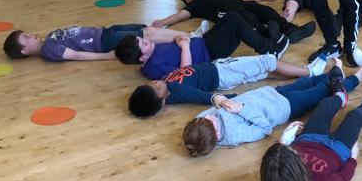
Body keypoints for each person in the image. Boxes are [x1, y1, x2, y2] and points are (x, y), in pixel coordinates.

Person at [180, 64, 362, 156]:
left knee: (306, 82)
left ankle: (333, 74)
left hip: (270, 93)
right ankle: (354, 79)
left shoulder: (204, 122)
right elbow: (265, 128)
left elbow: (205, 113)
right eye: (211, 120)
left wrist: (216, 98)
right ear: (218, 134)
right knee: (322, 91)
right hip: (284, 107)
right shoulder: (235, 134)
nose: (210, 115)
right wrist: (241, 109)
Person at [127, 53, 324, 118]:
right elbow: (202, 97)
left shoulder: (167, 87)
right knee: (267, 61)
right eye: (157, 88)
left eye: (151, 83)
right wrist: (230, 99)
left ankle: (301, 75)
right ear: (162, 101)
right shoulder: (176, 91)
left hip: (220, 71)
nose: (157, 82)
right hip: (222, 73)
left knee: (263, 72)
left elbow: (184, 72)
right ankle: (311, 72)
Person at [115, 14, 289, 80]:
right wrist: (185, 47)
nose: (147, 40)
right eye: (144, 43)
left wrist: (177, 39)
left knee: (230, 17)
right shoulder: (154, 67)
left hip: (203, 42)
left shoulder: (151, 55)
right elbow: (185, 73)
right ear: (142, 57)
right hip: (209, 54)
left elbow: (172, 49)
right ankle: (269, 49)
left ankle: (265, 37)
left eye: (143, 39)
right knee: (236, 23)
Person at [151, 0, 315, 44]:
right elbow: (182, 14)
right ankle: (268, 35)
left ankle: (291, 30)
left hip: (239, 4)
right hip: (226, 13)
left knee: (266, 11)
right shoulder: (196, 4)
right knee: (246, 17)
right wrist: (163, 21)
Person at [2, 24, 188, 62]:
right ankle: (190, 38)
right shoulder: (49, 50)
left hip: (105, 32)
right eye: (25, 38)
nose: (30, 35)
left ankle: (184, 38)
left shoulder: (48, 39)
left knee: (147, 29)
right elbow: (76, 55)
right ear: (25, 51)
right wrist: (107, 55)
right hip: (104, 41)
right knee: (148, 34)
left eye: (26, 33)